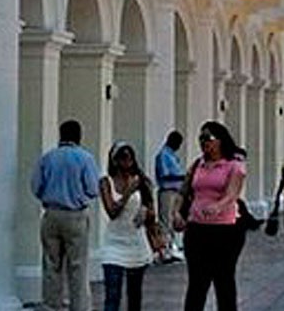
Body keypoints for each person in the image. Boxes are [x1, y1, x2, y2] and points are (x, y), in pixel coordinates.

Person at [175, 121, 248, 311]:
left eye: (208, 138)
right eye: (201, 138)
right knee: (197, 281)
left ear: (220, 141)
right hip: (197, 227)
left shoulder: (234, 165)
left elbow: (232, 194)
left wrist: (218, 206)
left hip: (225, 229)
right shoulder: (197, 165)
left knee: (223, 279)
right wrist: (176, 212)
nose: (203, 142)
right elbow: (183, 192)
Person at [31, 120, 100, 311]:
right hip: (76, 215)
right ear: (79, 136)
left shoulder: (47, 158)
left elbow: (35, 186)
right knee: (77, 265)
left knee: (51, 263)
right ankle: (79, 306)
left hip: (51, 214)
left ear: (60, 135)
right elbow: (93, 189)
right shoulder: (85, 158)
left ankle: (52, 304)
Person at [98, 141, 157, 311]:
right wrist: (127, 193)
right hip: (113, 244)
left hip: (136, 244)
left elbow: (152, 212)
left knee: (134, 295)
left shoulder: (141, 181)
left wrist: (147, 212)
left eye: (129, 159)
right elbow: (112, 212)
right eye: (122, 159)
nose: (126, 163)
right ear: (114, 161)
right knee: (112, 295)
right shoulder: (106, 182)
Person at [154, 130, 186, 262]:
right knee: (165, 221)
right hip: (167, 190)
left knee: (173, 221)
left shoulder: (172, 155)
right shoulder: (163, 155)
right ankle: (164, 250)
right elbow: (164, 174)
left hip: (175, 191)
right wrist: (181, 176)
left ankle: (171, 248)